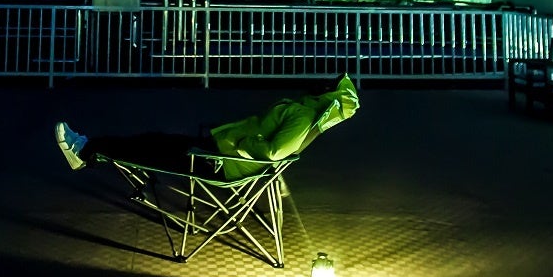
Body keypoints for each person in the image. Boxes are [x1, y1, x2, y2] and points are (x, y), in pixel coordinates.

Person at [55, 75, 360, 177]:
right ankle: (89, 149)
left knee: (149, 146)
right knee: (152, 142)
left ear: (327, 94)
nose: (322, 80)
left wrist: (242, 144)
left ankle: (83, 151)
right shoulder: (304, 113)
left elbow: (275, 152)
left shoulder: (303, 117)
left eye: (329, 83)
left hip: (219, 162)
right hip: (219, 153)